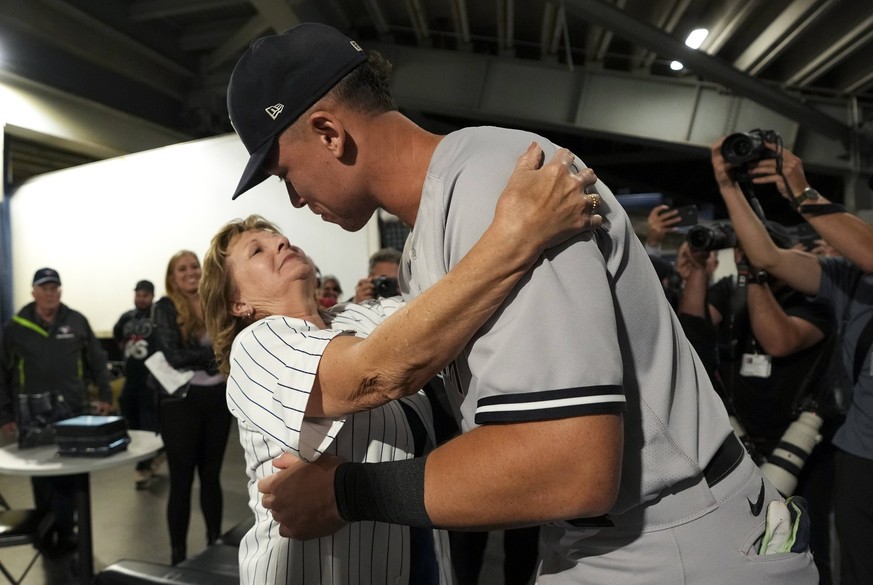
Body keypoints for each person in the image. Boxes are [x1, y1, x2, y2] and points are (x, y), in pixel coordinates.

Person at [225, 23, 818, 584]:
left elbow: (567, 465)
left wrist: (344, 494)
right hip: (603, 539)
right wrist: (507, 242)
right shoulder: (436, 231)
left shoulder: (495, 181)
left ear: (329, 133)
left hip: (672, 541)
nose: (295, 203)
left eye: (284, 174)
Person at [199, 151, 598, 584]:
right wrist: (520, 233)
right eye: (257, 249)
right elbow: (375, 374)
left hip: (415, 560)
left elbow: (454, 301)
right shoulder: (256, 344)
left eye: (279, 238)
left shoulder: (357, 319)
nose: (281, 243)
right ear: (238, 303)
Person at [710, 137, 873, 585]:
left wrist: (800, 190)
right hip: (860, 451)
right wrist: (728, 186)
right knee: (858, 568)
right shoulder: (847, 279)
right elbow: (766, 257)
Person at [675, 241, 840, 584]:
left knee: (804, 543)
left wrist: (755, 273)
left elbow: (777, 340)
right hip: (741, 434)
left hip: (803, 439)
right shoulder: (730, 290)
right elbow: (691, 330)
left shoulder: (817, 298)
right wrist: (697, 274)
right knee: (741, 538)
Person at [0, 267, 113, 552]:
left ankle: (67, 532)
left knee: (70, 473)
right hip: (31, 416)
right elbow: (2, 373)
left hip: (71, 413)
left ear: (60, 291)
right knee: (42, 476)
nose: (50, 293)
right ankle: (46, 533)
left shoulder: (75, 322)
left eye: (54, 288)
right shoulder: (15, 327)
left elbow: (97, 361)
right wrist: (6, 415)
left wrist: (105, 396)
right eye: (44, 288)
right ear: (33, 291)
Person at [153, 251, 232, 565]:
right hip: (180, 404)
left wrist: (213, 361)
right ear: (172, 277)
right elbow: (173, 355)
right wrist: (214, 361)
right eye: (182, 269)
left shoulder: (215, 301)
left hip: (216, 400)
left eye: (194, 266)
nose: (190, 272)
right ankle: (178, 556)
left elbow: (230, 341)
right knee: (181, 480)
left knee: (211, 477)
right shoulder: (165, 307)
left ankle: (215, 544)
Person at [113, 279, 162, 490]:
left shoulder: (159, 317)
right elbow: (117, 334)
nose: (141, 299)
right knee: (131, 419)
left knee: (147, 422)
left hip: (150, 380)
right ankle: (150, 457)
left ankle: (144, 466)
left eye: (145, 295)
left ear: (152, 296)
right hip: (131, 378)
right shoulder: (127, 317)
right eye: (138, 294)